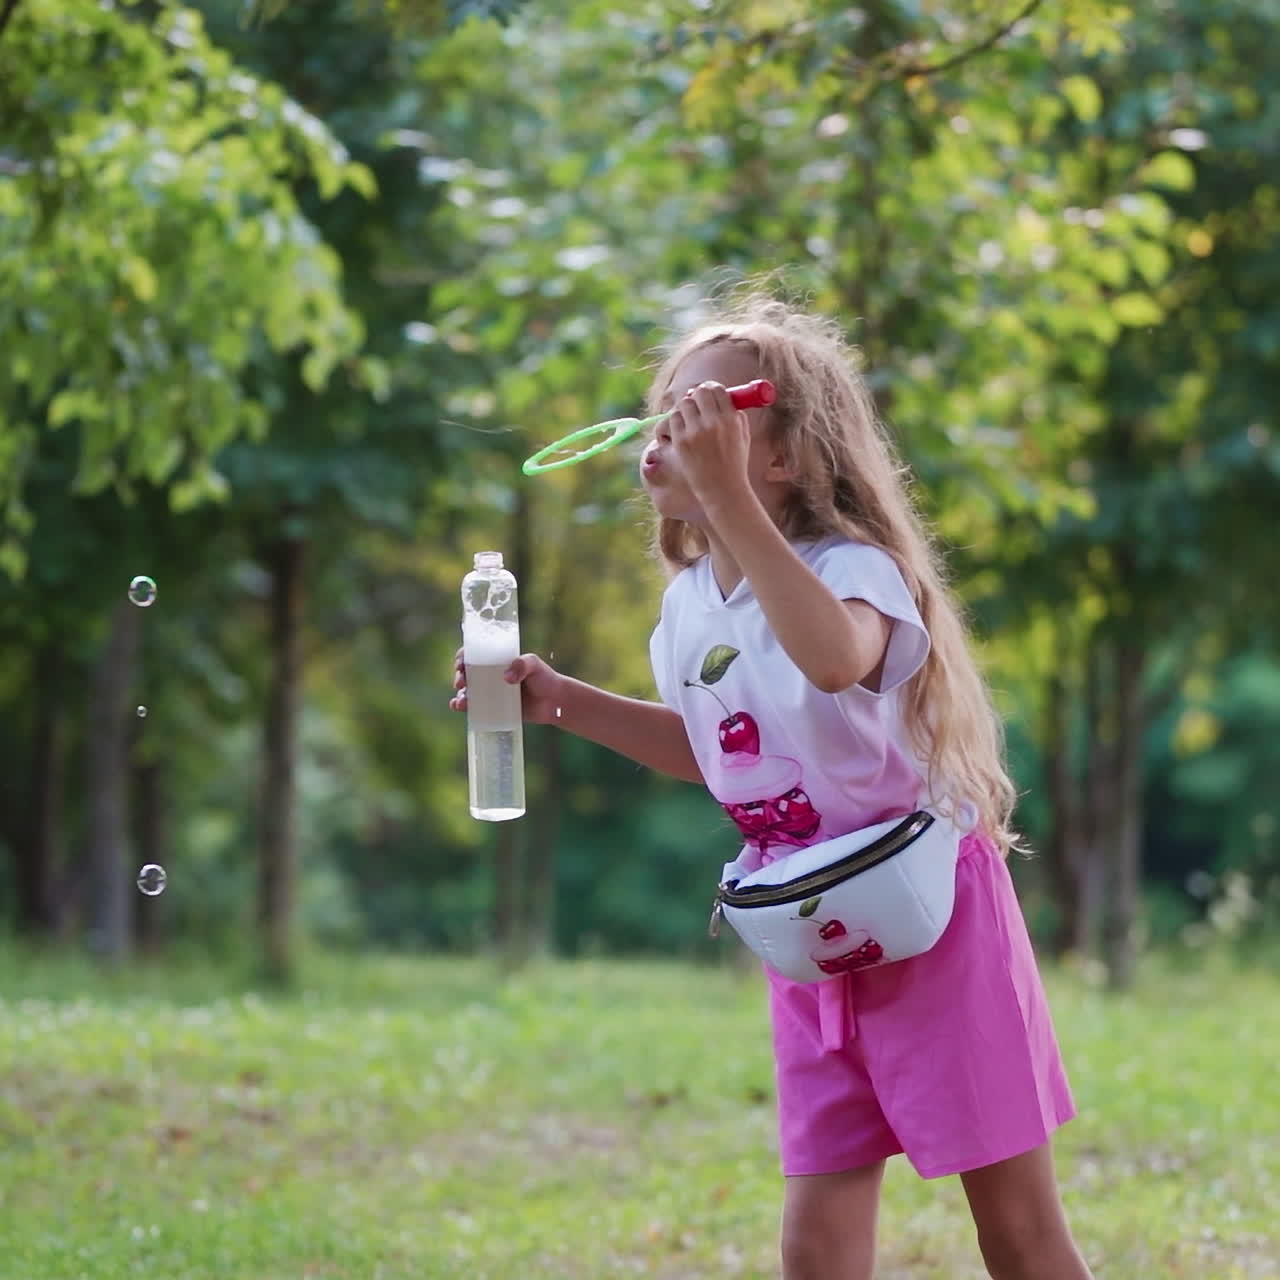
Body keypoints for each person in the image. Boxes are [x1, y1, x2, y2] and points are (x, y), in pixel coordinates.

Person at [450, 294, 1093, 1280]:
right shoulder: (687, 607)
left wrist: (730, 504)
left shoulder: (855, 570)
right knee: (815, 1245)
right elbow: (715, 751)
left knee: (1016, 1231)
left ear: (785, 455)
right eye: (663, 411)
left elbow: (833, 659)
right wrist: (561, 701)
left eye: (704, 413)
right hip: (809, 930)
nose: (667, 431)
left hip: (933, 921)